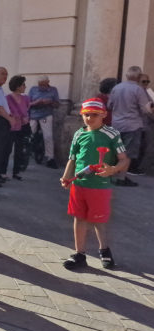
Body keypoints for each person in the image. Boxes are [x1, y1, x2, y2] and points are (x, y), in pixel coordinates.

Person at [60, 98, 129, 270]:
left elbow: (124, 160)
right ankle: (79, 254)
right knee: (79, 218)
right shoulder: (79, 134)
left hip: (100, 186)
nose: (89, 118)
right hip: (79, 185)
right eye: (86, 115)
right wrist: (66, 177)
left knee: (99, 220)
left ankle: (104, 250)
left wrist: (112, 170)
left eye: (94, 115)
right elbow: (72, 159)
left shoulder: (112, 134)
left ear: (103, 115)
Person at [108, 65, 154, 185]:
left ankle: (113, 175)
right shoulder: (138, 90)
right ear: (138, 77)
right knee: (127, 153)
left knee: (117, 151)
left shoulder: (116, 88)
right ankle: (121, 178)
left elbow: (109, 105)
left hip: (117, 124)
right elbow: (146, 109)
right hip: (132, 125)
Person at [28, 75, 60, 169]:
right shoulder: (33, 89)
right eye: (40, 85)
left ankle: (50, 158)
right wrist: (36, 102)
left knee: (48, 136)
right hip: (33, 115)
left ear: (48, 83)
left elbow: (57, 104)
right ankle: (25, 153)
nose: (41, 86)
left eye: (43, 85)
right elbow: (27, 104)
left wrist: (50, 102)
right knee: (29, 134)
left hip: (45, 115)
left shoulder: (53, 90)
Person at [6, 75, 31, 180]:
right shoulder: (7, 98)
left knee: (19, 150)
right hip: (11, 127)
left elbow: (27, 110)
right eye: (23, 85)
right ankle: (2, 172)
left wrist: (26, 118)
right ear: (17, 86)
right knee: (7, 150)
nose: (25, 86)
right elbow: (7, 111)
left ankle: (16, 172)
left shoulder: (26, 98)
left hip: (22, 127)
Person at [138, 73, 154, 173]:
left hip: (148, 123)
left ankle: (144, 167)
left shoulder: (149, 92)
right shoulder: (137, 92)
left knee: (148, 146)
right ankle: (141, 167)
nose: (146, 83)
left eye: (147, 81)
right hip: (140, 123)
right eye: (143, 81)